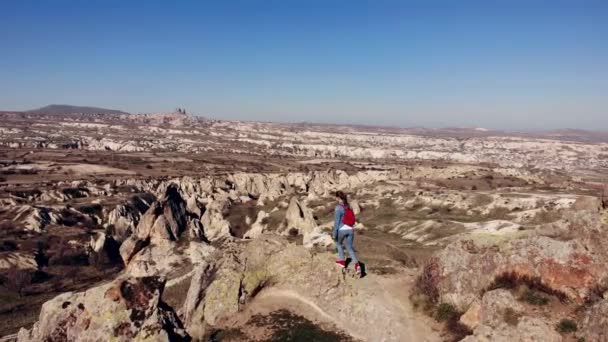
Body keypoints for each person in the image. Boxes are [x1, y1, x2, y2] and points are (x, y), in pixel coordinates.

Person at [333, 191, 360, 276]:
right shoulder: (348, 206)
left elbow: (337, 223)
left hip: (342, 230)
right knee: (349, 247)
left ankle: (342, 261)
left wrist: (334, 233)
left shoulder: (338, 208)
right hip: (350, 230)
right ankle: (357, 265)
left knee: (338, 244)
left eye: (336, 197)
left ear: (338, 198)